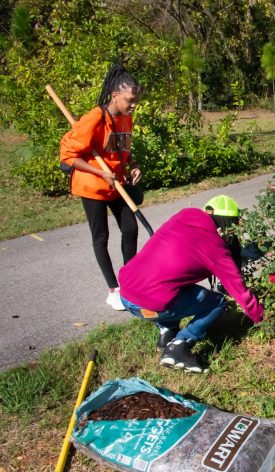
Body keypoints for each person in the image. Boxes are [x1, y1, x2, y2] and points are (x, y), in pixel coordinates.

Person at [118, 195, 264, 373]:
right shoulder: (215, 248)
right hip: (153, 304)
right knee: (217, 303)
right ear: (229, 224)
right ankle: (179, 346)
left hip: (126, 296)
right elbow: (238, 291)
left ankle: (166, 333)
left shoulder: (181, 218)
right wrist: (261, 319)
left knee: (174, 283)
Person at [59, 64, 142, 311]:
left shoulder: (126, 117)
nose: (133, 105)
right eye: (129, 100)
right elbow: (68, 156)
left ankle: (131, 281)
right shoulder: (95, 118)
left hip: (117, 183)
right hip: (92, 185)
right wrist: (99, 172)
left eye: (135, 100)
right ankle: (114, 290)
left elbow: (123, 149)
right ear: (115, 95)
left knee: (130, 228)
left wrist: (134, 165)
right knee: (101, 236)